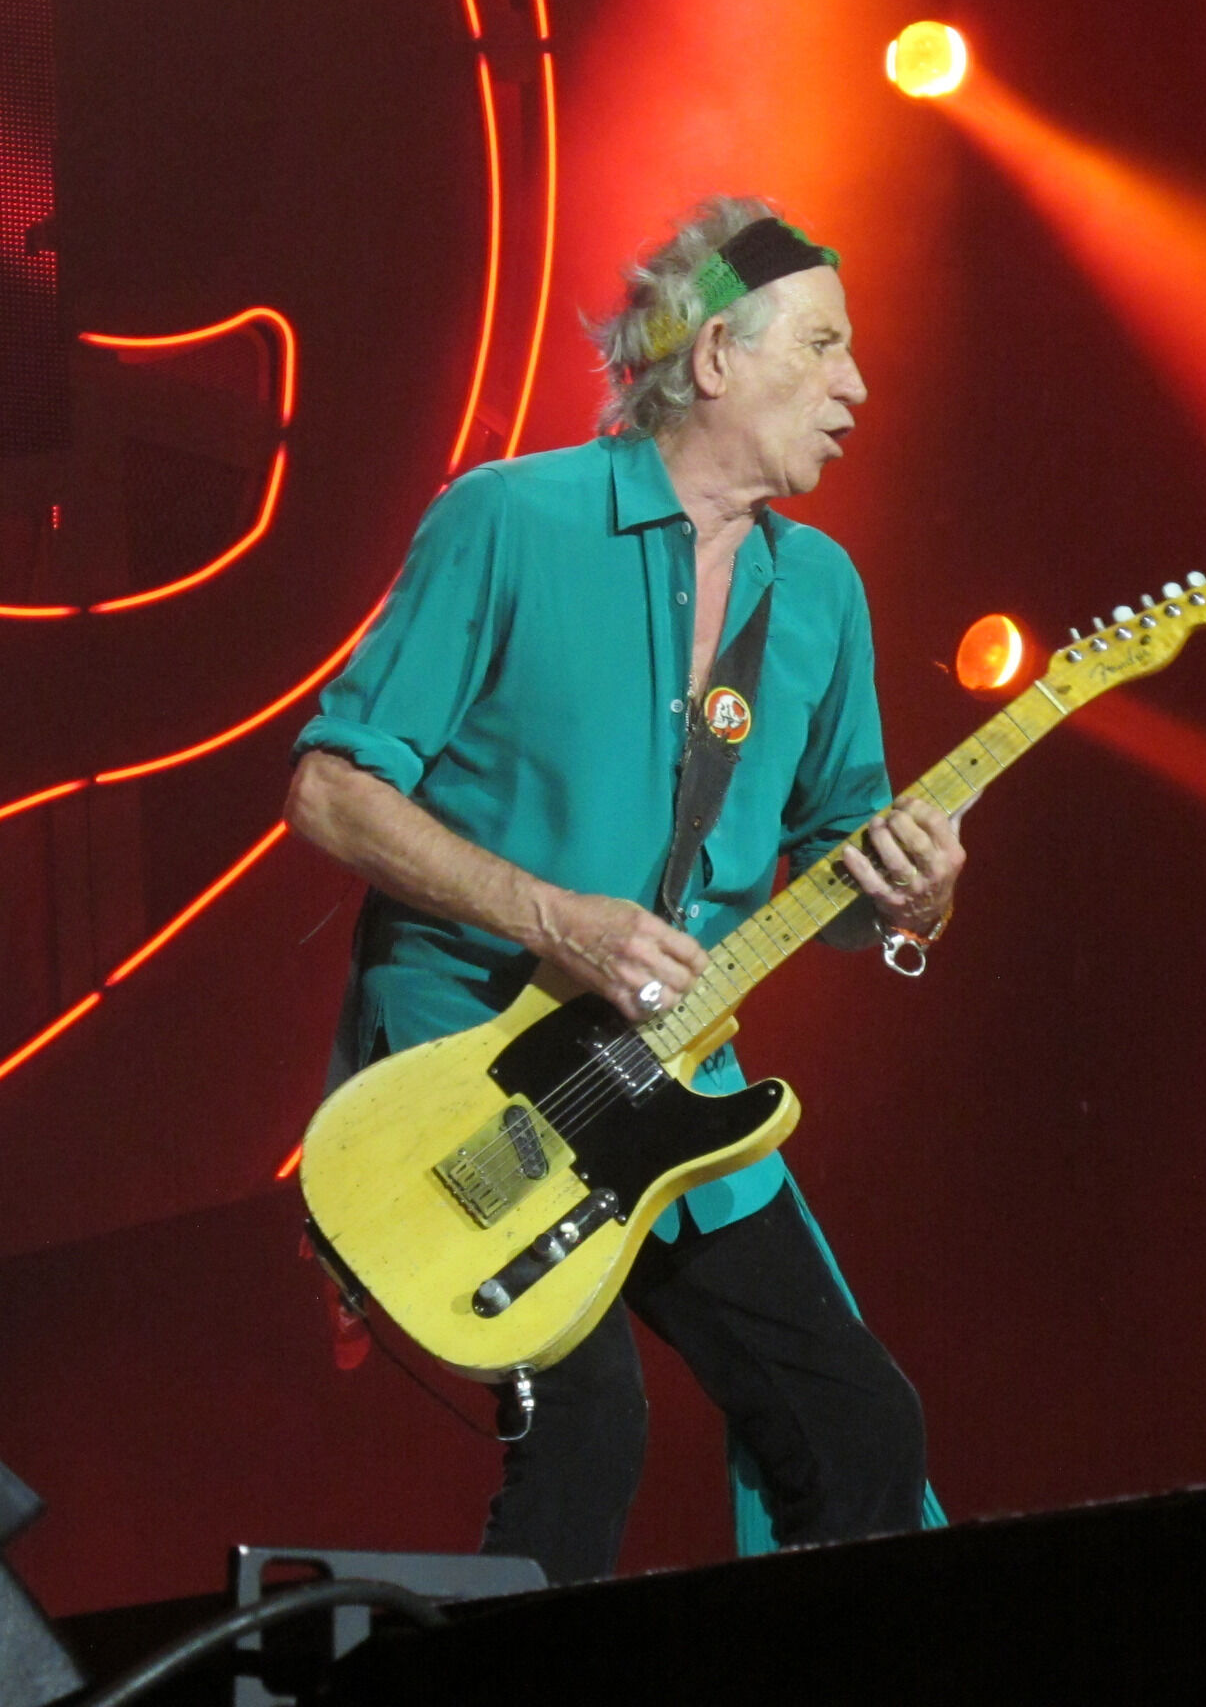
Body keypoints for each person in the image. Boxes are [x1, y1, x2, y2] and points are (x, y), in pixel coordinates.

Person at [285, 197, 964, 1583]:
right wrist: (554, 920)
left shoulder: (819, 590)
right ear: (714, 356)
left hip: (674, 1091)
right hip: (478, 1078)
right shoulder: (509, 519)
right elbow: (332, 790)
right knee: (591, 1436)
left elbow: (845, 867)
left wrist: (915, 895)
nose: (857, 384)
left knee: (859, 1427)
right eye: (823, 346)